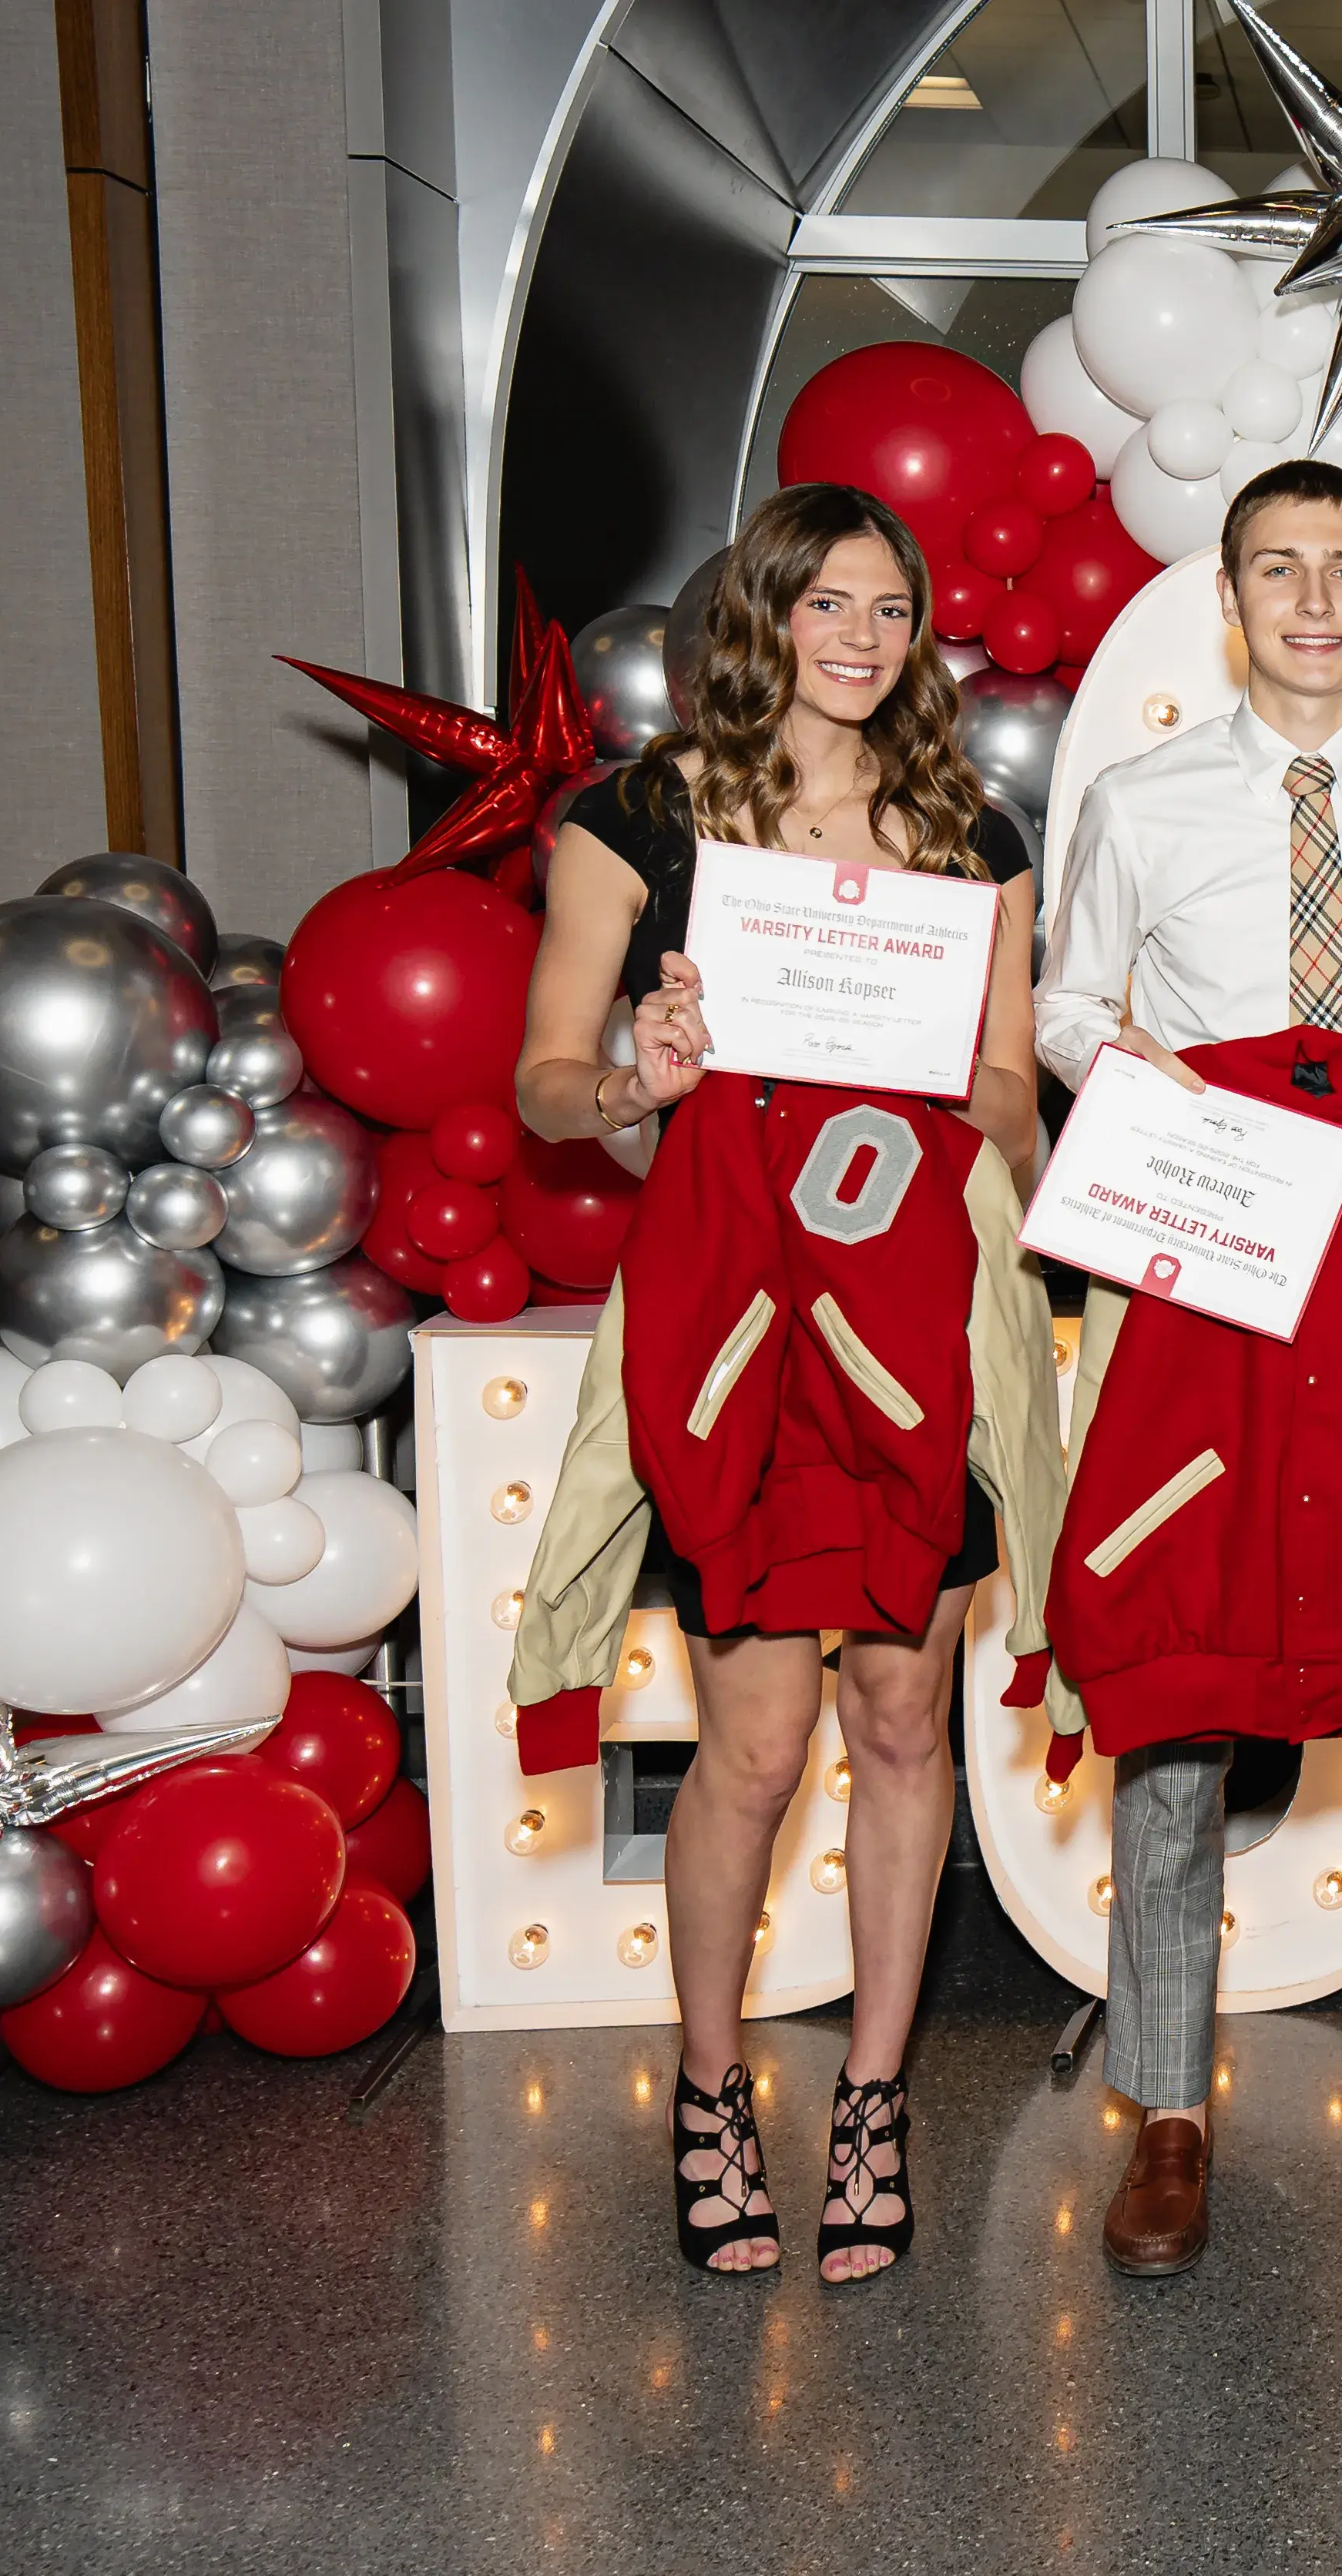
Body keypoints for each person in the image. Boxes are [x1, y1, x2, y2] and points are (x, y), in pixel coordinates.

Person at [512, 481, 1049, 2283]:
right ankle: (714, 2084)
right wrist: (641, 1079)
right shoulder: (640, 818)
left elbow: (1004, 1091)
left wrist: (1055, 1174)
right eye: (829, 601)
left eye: (892, 610)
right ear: (764, 613)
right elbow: (542, 1088)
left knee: (905, 1720)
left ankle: (880, 2095)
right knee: (751, 1742)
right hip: (736, 1334)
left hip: (923, 1334)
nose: (862, 637)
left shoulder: (975, 834)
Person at [1034, 457, 1342, 2276]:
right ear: (1229, 600)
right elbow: (1067, 1004)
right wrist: (1135, 1072)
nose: (1314, 601)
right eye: (1279, 570)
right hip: (1218, 1245)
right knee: (1185, 1654)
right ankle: (1168, 2104)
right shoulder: (1142, 797)